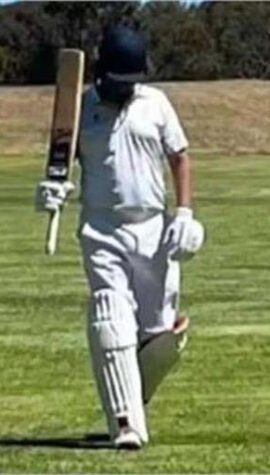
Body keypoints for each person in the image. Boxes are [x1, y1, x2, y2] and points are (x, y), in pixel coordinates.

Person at [35, 26, 205, 450]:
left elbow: (180, 157)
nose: (125, 89)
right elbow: (61, 159)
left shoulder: (155, 104)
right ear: (100, 74)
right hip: (101, 228)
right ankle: (126, 425)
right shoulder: (81, 108)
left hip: (152, 229)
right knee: (110, 314)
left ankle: (130, 394)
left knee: (160, 336)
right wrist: (53, 187)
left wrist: (185, 212)